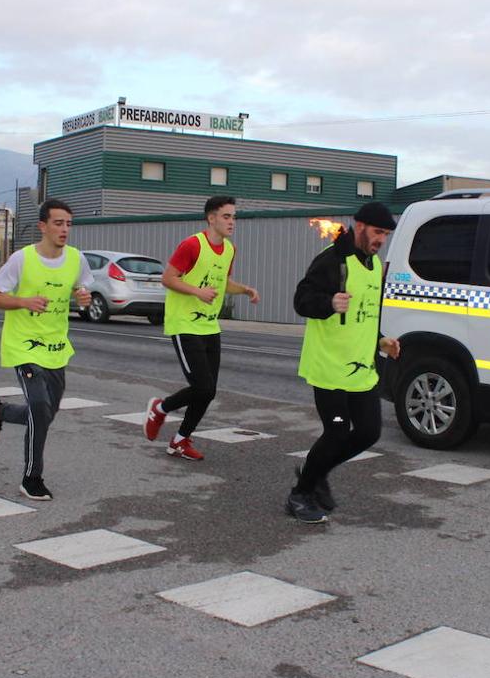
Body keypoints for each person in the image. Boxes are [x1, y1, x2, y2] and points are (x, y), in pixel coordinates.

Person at [286, 202, 401, 523]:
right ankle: (300, 493)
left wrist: (382, 340)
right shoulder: (332, 260)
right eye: (378, 232)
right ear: (360, 226)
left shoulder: (375, 265)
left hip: (362, 367)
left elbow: (365, 314)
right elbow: (301, 300)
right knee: (336, 433)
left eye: (386, 234)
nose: (381, 239)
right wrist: (329, 302)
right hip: (329, 366)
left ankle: (317, 472)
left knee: (368, 433)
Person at [0, 199, 93, 500]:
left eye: (68, 224)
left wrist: (84, 297)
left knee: (47, 412)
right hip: (24, 346)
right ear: (43, 226)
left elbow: (82, 287)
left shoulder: (75, 258)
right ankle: (32, 477)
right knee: (40, 408)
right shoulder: (22, 259)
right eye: (58, 223)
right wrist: (24, 301)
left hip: (56, 347)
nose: (65, 229)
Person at [142, 196, 259, 460]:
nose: (232, 222)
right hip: (184, 324)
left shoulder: (229, 249)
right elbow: (168, 278)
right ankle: (160, 408)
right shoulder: (192, 245)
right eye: (226, 216)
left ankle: (180, 440)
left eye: (234, 217)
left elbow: (223, 282)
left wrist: (245, 290)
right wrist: (197, 292)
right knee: (203, 387)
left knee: (208, 391)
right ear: (211, 218)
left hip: (209, 325)